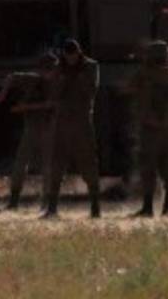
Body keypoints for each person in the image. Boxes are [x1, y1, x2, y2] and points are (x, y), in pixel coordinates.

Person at [42, 39, 101, 219]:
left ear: (78, 52)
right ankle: (52, 208)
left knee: (88, 163)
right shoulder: (59, 67)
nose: (71, 59)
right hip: (62, 121)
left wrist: (73, 79)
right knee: (56, 164)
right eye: (68, 56)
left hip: (82, 121)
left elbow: (91, 90)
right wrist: (60, 79)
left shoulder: (91, 66)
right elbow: (52, 92)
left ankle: (95, 208)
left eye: (73, 55)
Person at [0, 52, 58, 209]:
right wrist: (3, 92)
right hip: (31, 127)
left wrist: (25, 107)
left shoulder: (59, 83)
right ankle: (14, 201)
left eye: (50, 69)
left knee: (48, 167)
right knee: (20, 164)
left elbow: (52, 104)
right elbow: (12, 77)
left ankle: (47, 203)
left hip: (49, 128)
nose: (48, 73)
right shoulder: (32, 80)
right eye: (45, 69)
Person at [128, 40, 168, 217]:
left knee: (148, 169)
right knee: (167, 169)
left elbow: (129, 89)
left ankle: (148, 208)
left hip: (150, 131)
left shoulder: (144, 75)